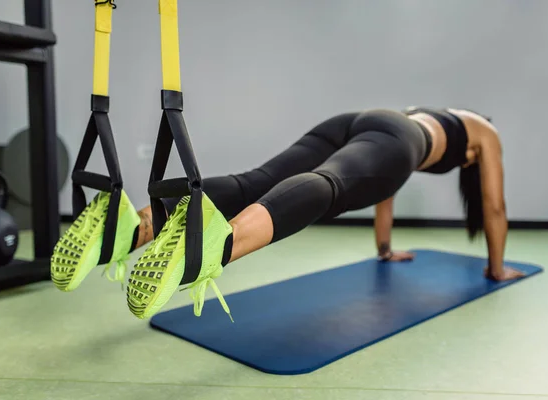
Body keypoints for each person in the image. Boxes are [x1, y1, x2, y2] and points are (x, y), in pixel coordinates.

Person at [51, 107, 524, 321]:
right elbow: (495, 206)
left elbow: (383, 186)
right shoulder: (485, 133)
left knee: (254, 181)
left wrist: (384, 249)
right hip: (397, 143)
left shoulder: (429, 117)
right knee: (332, 185)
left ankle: (132, 226)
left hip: (357, 119)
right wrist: (496, 268)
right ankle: (217, 245)